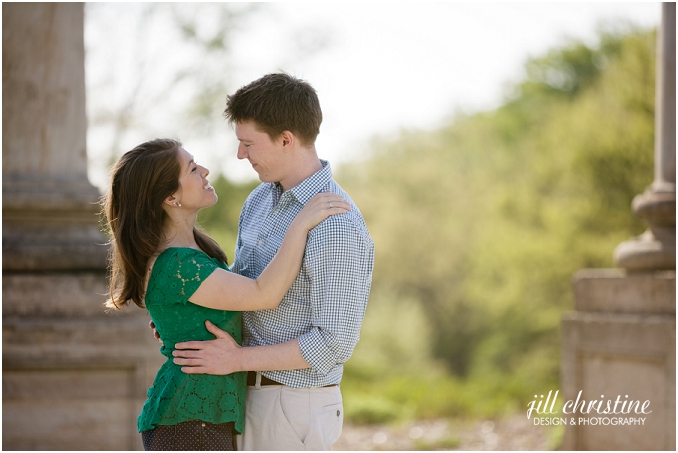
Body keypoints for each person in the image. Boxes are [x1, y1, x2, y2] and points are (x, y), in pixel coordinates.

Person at [102, 137, 350, 451]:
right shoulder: (179, 265)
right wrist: (300, 225)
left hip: (204, 418)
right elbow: (264, 294)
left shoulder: (193, 253)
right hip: (188, 420)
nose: (205, 171)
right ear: (170, 196)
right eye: (192, 169)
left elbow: (222, 300)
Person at [171, 73, 375, 450]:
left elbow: (334, 343)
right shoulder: (259, 201)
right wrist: (181, 320)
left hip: (293, 404)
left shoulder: (337, 225)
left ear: (286, 139)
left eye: (248, 143)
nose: (239, 155)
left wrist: (237, 359)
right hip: (243, 395)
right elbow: (240, 293)